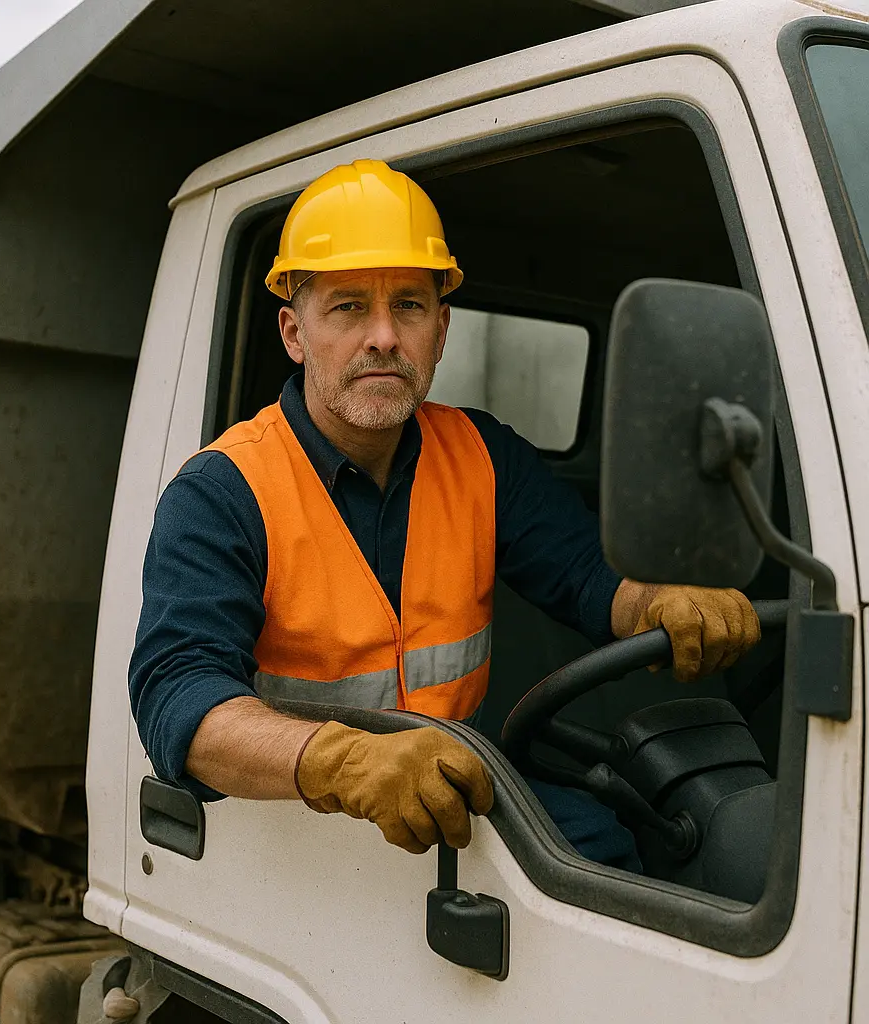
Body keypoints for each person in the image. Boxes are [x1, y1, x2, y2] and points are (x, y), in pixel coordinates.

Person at [130, 159, 760, 870]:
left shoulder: (484, 458)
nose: (384, 337)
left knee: (609, 856)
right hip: (296, 850)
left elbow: (589, 575)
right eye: (346, 306)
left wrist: (662, 601)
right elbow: (178, 699)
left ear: (442, 326)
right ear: (293, 332)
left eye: (409, 305)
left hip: (451, 811)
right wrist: (343, 765)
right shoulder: (221, 493)